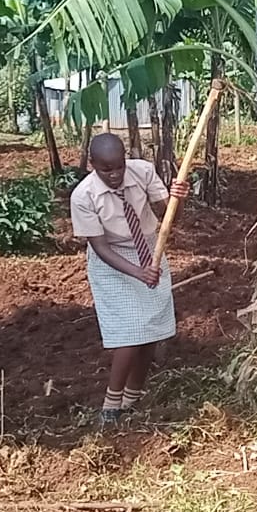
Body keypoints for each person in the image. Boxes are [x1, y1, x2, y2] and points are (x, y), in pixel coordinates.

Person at [70, 133, 190, 427]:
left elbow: (169, 215)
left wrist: (177, 198)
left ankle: (133, 395)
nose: (115, 175)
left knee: (150, 329)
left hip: (150, 249)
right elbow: (99, 247)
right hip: (112, 261)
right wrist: (137, 272)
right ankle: (112, 401)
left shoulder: (143, 172)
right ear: (92, 165)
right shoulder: (83, 197)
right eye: (106, 169)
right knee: (128, 332)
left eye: (119, 167)